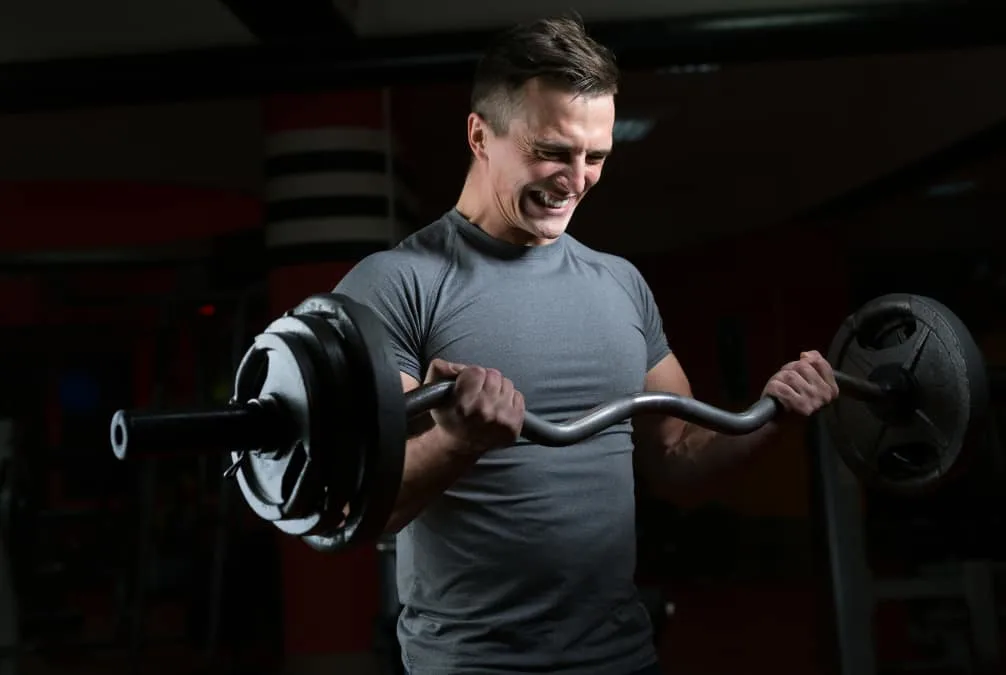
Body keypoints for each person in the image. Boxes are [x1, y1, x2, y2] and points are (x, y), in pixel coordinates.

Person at [333, 15, 839, 675]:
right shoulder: (395, 285)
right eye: (553, 151)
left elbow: (677, 456)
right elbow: (360, 506)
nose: (576, 179)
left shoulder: (619, 285)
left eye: (595, 156)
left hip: (623, 657)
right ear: (480, 134)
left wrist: (773, 415)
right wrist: (456, 441)